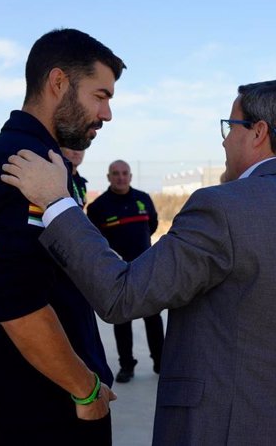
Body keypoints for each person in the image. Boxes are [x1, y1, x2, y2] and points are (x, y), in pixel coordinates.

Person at [1, 79, 276, 445]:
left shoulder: (223, 207)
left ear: (258, 132)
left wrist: (57, 202)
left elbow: (121, 295)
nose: (224, 142)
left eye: (230, 127)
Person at [0, 28, 124, 444]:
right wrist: (86, 391)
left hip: (11, 397)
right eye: (100, 96)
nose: (106, 114)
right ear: (58, 83)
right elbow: (21, 307)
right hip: (50, 410)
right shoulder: (30, 164)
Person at [86, 160, 163, 383]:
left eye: (124, 173)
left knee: (153, 317)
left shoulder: (143, 199)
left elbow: (153, 225)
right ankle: (126, 366)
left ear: (130, 176)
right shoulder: (99, 207)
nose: (121, 177)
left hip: (145, 268)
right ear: (108, 177)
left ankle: (161, 363)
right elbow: (94, 238)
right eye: (116, 174)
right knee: (122, 320)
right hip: (117, 272)